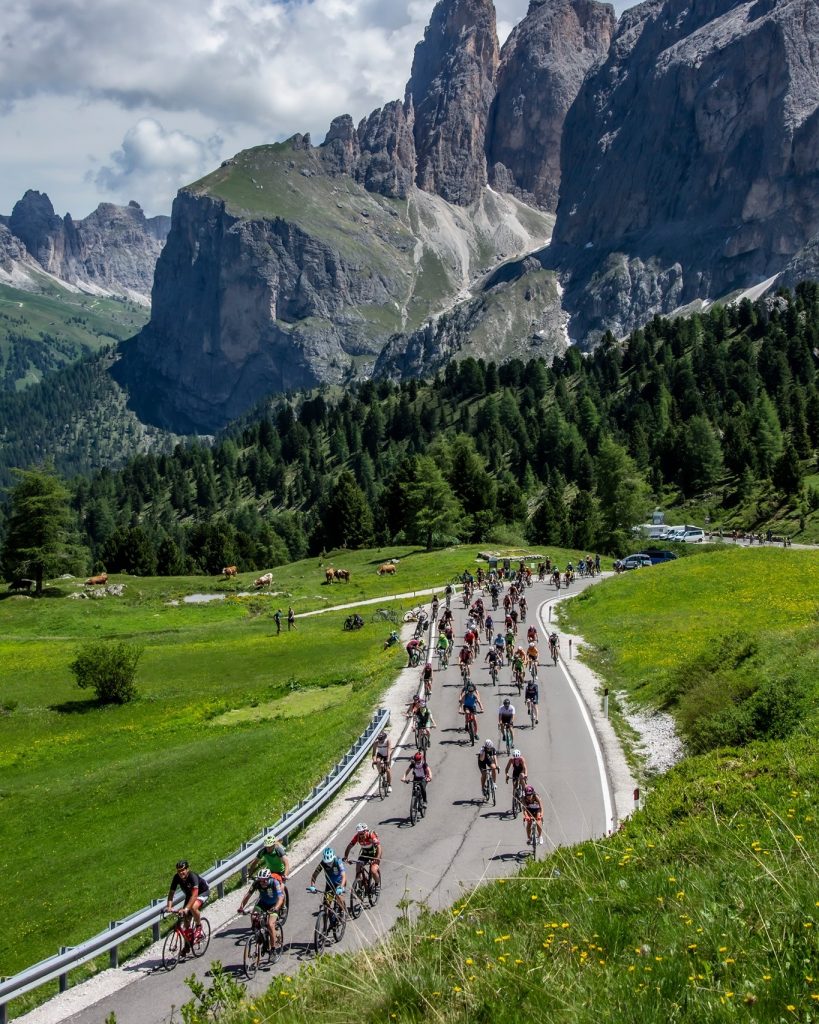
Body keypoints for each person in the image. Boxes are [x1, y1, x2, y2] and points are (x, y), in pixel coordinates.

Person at [238, 868, 284, 951]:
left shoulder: (274, 882)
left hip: (274, 905)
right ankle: (258, 934)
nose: (262, 883)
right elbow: (248, 895)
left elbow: (280, 897)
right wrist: (241, 907)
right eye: (260, 880)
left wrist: (276, 908)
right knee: (253, 916)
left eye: (264, 881)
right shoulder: (257, 883)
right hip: (262, 903)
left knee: (270, 924)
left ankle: (273, 950)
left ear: (269, 878)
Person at [166, 861, 209, 942]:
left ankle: (199, 926)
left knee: (192, 907)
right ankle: (188, 945)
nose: (181, 872)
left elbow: (195, 895)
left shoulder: (192, 876)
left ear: (187, 869)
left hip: (202, 892)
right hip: (190, 895)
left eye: (183, 870)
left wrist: (186, 909)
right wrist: (169, 906)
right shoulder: (176, 877)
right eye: (179, 871)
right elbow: (171, 892)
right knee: (186, 923)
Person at [308, 847, 347, 916]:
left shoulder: (337, 861)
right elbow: (314, 875)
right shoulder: (323, 863)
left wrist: (341, 887)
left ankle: (344, 911)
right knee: (327, 904)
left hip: (340, 882)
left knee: (338, 896)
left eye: (330, 862)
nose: (328, 864)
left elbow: (344, 876)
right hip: (330, 884)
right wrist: (312, 886)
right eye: (327, 862)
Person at [344, 823, 382, 890]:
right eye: (359, 833)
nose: (360, 835)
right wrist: (346, 857)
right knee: (358, 869)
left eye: (361, 833)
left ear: (365, 831)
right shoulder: (357, 836)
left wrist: (377, 858)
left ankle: (377, 885)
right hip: (364, 854)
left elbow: (379, 847)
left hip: (374, 854)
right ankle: (362, 883)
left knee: (373, 871)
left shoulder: (371, 835)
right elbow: (349, 846)